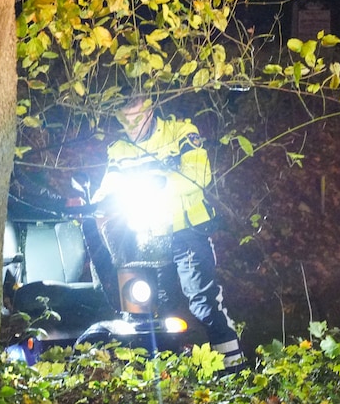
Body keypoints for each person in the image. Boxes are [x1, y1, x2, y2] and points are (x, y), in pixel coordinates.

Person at [92, 95, 245, 374]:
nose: (132, 126)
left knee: (204, 304)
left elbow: (198, 176)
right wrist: (99, 201)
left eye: (136, 117)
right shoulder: (120, 149)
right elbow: (108, 185)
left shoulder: (182, 133)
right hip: (148, 238)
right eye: (124, 120)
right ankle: (162, 373)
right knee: (147, 309)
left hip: (188, 232)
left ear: (150, 108)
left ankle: (234, 370)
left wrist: (158, 184)